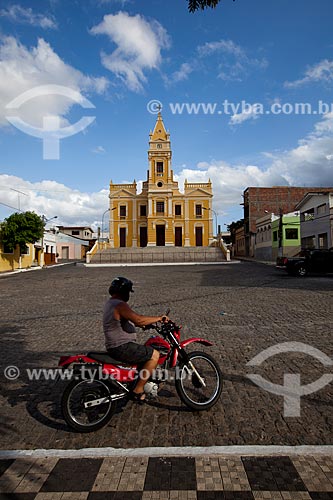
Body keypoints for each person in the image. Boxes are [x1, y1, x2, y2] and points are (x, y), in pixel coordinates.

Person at [103, 276, 168, 403]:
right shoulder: (120, 305)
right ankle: (138, 389)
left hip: (115, 346)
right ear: (124, 291)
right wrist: (160, 318)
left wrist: (146, 325)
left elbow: (132, 321)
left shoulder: (110, 303)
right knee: (154, 355)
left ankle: (136, 381)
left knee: (145, 353)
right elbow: (138, 319)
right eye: (127, 291)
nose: (128, 294)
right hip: (122, 346)